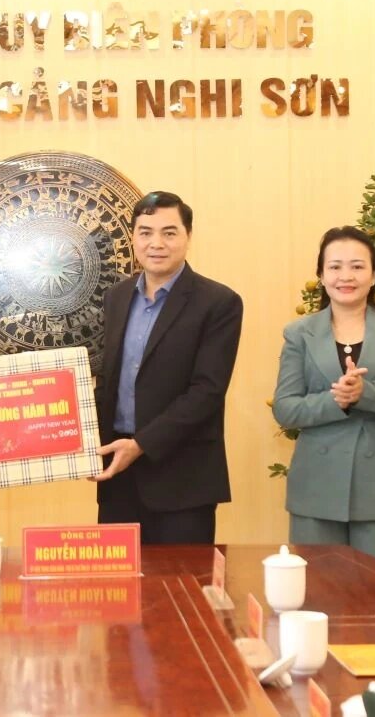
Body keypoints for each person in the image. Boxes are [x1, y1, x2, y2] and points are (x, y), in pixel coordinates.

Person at [272, 226, 375, 569]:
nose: (346, 276)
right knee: (320, 591)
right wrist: (337, 401)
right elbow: (286, 408)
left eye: (357, 266)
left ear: (373, 275)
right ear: (321, 275)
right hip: (316, 485)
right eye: (335, 266)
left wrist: (367, 394)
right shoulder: (299, 333)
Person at [92, 191, 244, 544]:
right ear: (133, 238)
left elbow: (206, 392)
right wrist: (72, 439)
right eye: (145, 232)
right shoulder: (116, 297)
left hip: (182, 481)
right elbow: (108, 382)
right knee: (119, 577)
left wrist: (140, 444)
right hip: (118, 477)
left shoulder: (219, 303)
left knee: (183, 580)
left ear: (188, 236)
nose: (156, 243)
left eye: (169, 232)